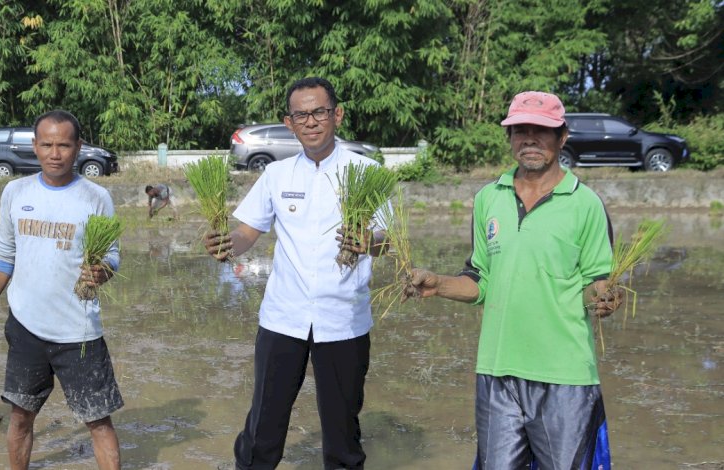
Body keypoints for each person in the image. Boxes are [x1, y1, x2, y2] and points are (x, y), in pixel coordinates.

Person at [405, 91, 623, 469]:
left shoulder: (586, 203)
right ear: (509, 138)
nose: (530, 139)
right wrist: (437, 284)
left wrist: (602, 296)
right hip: (497, 372)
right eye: (520, 130)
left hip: (565, 376)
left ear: (563, 136)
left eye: (542, 131)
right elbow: (480, 279)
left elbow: (596, 282)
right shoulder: (489, 197)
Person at [204, 77, 388, 469]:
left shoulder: (367, 172)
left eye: (319, 112)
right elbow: (247, 232)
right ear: (289, 123)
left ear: (336, 115)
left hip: (344, 321)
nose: (311, 122)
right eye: (301, 115)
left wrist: (366, 242)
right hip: (282, 319)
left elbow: (387, 241)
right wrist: (226, 245)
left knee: (342, 429)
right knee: (264, 425)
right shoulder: (277, 175)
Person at [0, 110, 123, 470]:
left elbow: (112, 256)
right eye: (47, 144)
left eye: (64, 145)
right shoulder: (15, 191)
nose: (56, 153)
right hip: (25, 327)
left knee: (98, 421)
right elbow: (3, 255)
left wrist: (102, 272)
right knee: (21, 416)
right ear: (35, 146)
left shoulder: (96, 197)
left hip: (79, 331)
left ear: (79, 147)